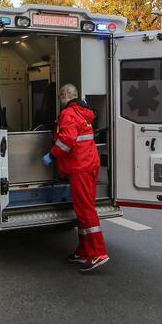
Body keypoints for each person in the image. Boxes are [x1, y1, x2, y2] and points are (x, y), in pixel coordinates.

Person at [42, 84, 109, 272]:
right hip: (89, 163)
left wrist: (52, 155)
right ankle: (84, 251)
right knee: (82, 208)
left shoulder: (68, 113)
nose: (59, 100)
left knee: (86, 209)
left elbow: (66, 141)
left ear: (64, 96)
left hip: (80, 166)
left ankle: (97, 253)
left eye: (60, 96)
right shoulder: (83, 111)